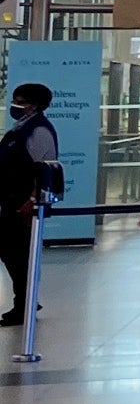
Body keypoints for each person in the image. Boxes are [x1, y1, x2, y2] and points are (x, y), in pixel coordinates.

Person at [0, 83, 60, 327]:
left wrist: (33, 199)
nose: (15, 105)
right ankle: (24, 301)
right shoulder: (19, 129)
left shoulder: (39, 130)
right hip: (10, 199)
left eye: (21, 100)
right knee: (10, 253)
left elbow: (44, 168)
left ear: (34, 105)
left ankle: (24, 304)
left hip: (24, 204)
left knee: (19, 255)